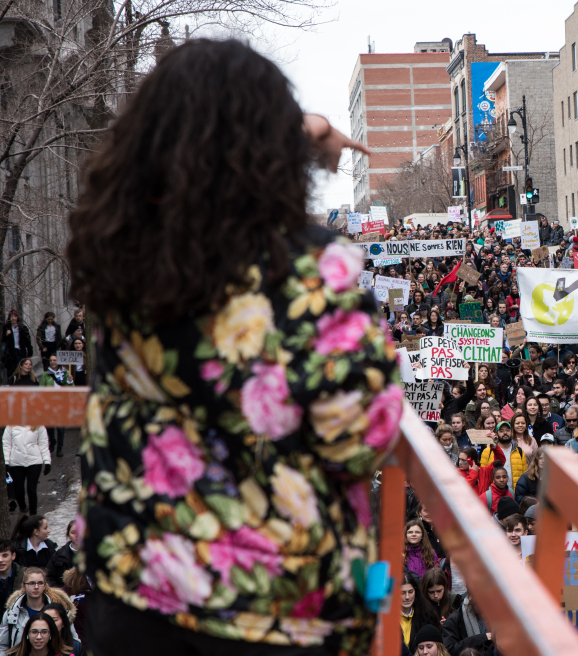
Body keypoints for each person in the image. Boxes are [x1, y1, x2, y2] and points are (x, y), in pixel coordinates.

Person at [66, 40, 400, 654]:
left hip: (133, 592)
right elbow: (356, 437)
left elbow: (195, 138)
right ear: (270, 152)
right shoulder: (310, 269)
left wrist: (302, 129)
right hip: (268, 611)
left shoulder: (115, 245)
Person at [0, 567, 58, 650]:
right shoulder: (11, 613)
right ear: (23, 586)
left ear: (45, 585)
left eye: (40, 583)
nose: (36, 587)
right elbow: (2, 645)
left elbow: (72, 641)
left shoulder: (56, 612)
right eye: (32, 583)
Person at [3, 427, 48, 515]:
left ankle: (33, 516)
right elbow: (6, 444)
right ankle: (22, 507)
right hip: (16, 462)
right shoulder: (11, 425)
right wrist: (6, 461)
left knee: (32, 489)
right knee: (18, 490)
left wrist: (47, 461)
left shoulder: (39, 425)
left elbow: (43, 444)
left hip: (34, 462)